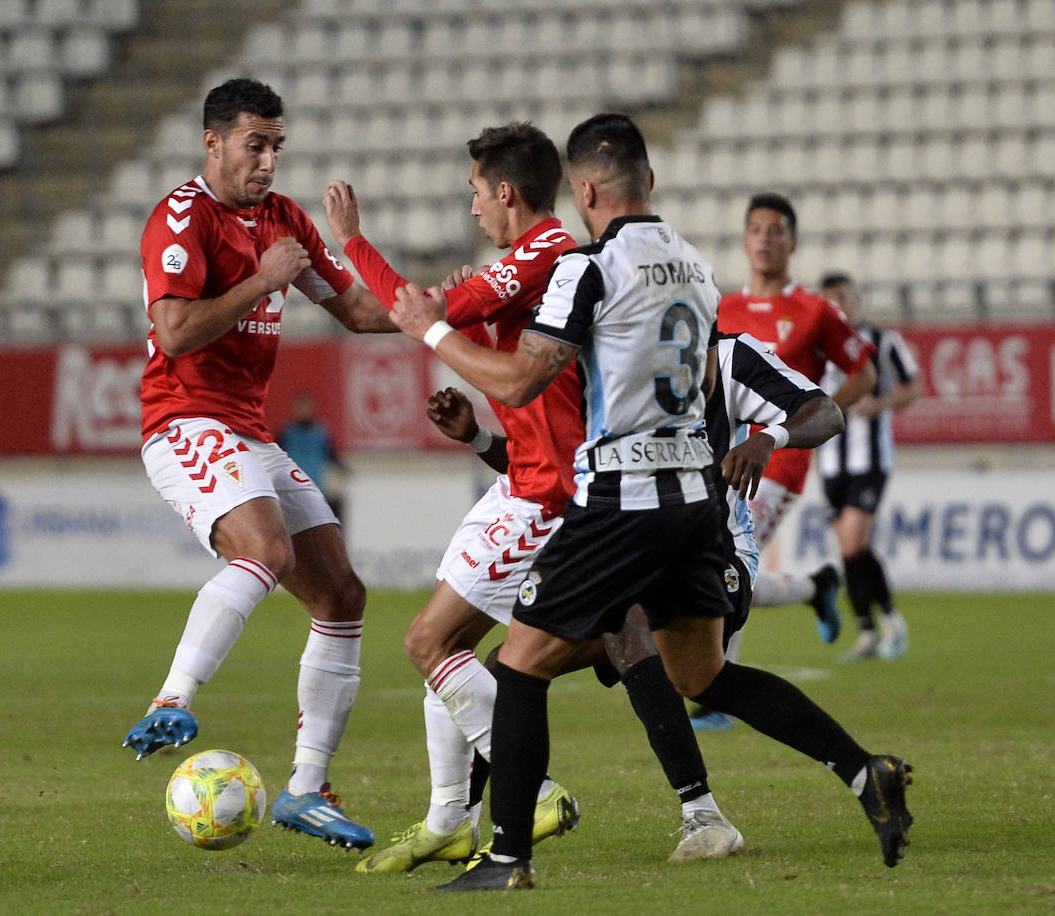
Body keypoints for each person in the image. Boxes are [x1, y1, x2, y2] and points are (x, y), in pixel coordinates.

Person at [388, 114, 913, 890]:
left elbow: (520, 379)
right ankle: (865, 774)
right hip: (694, 504)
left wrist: (432, 330)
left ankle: (506, 858)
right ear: (651, 183)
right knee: (700, 673)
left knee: (519, 666)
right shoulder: (697, 270)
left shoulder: (587, 269)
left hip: (621, 500)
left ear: (585, 190)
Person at [125, 78, 398, 851]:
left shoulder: (284, 221)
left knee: (343, 593)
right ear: (212, 143)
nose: (269, 161)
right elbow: (174, 333)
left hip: (248, 430)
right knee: (269, 551)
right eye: (256, 144)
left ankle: (306, 790)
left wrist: (454, 306)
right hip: (182, 419)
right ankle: (171, 697)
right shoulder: (182, 217)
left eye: (277, 145)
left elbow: (357, 311)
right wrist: (263, 282)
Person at [323, 123, 591, 872]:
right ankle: (449, 819)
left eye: (476, 192)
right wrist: (336, 284)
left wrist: (350, 242)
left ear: (505, 192)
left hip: (549, 491)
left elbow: (420, 314)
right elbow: (416, 309)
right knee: (449, 650)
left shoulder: (546, 256)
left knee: (426, 643)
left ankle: (532, 790)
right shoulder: (522, 262)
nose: (472, 208)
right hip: (523, 481)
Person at [694, 192, 880, 731]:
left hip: (779, 458)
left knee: (727, 564)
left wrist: (803, 430)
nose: (765, 239)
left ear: (792, 242)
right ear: (745, 239)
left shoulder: (815, 310)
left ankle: (713, 693)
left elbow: (863, 373)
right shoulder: (724, 309)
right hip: (724, 456)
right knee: (723, 563)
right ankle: (815, 586)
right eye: (756, 229)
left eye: (776, 230)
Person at [817, 272, 921, 661]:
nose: (838, 305)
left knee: (852, 540)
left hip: (871, 459)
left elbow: (913, 386)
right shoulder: (817, 345)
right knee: (849, 550)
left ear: (857, 298)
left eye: (843, 297)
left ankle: (891, 621)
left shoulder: (882, 341)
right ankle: (868, 629)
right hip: (830, 461)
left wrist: (879, 405)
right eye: (830, 300)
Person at [277, 392, 346, 518]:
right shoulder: (287, 432)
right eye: (300, 407)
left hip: (315, 486)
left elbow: (332, 454)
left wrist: (344, 470)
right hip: (292, 486)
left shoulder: (321, 432)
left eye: (306, 407)